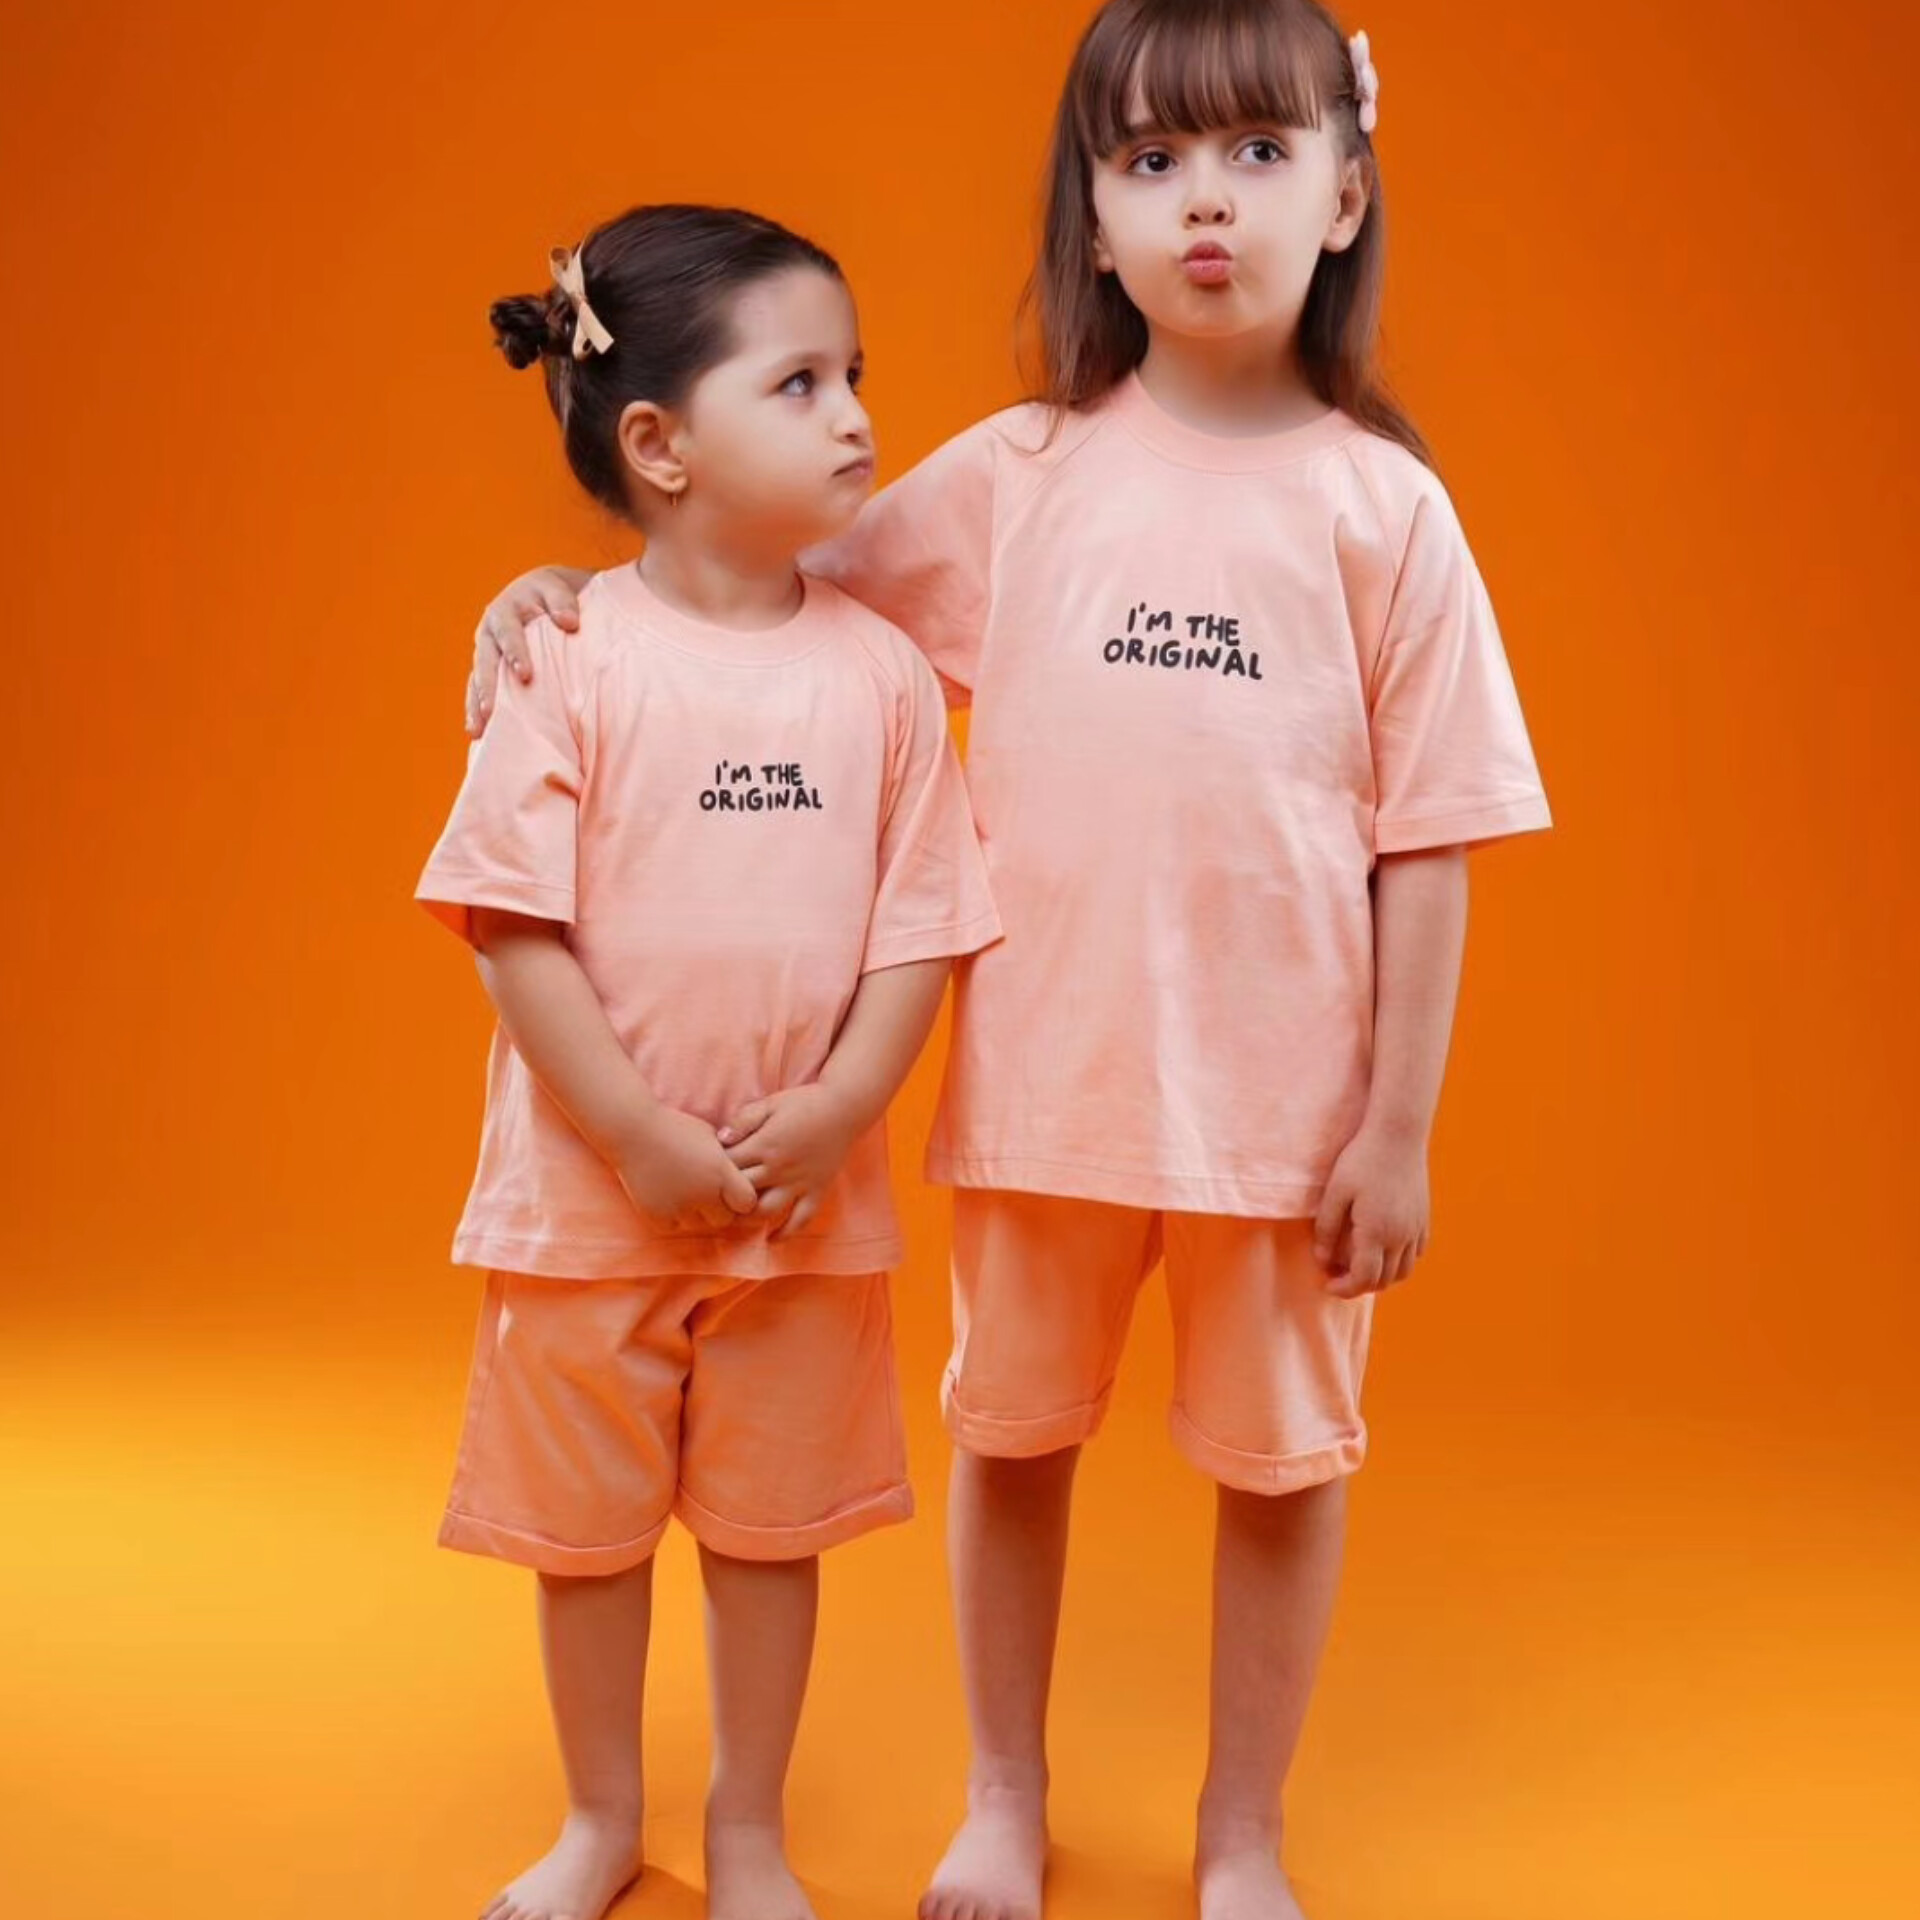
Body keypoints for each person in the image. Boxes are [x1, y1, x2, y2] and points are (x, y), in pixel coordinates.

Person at [465, 6, 1551, 1916]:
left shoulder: (1387, 509)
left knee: (1285, 1467)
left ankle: (1243, 1832)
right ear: (1095, 219)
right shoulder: (1024, 472)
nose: (1205, 201)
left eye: (1257, 154)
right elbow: (750, 571)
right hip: (1045, 1089)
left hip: (1288, 1123)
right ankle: (1000, 1793)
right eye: (1151, 162)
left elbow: (1432, 839)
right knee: (1012, 1439)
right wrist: (562, 589)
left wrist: (1398, 1127)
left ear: (1344, 195)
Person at [419, 202, 999, 1920]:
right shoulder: (568, 657)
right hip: (587, 1214)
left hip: (798, 1218)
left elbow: (921, 927)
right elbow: (511, 927)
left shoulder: (885, 678)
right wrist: (633, 1134)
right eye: (800, 383)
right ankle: (602, 1821)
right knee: (587, 1543)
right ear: (660, 446)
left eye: (856, 374)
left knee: (770, 1536)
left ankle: (748, 1827)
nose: (857, 417)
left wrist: (840, 1109)